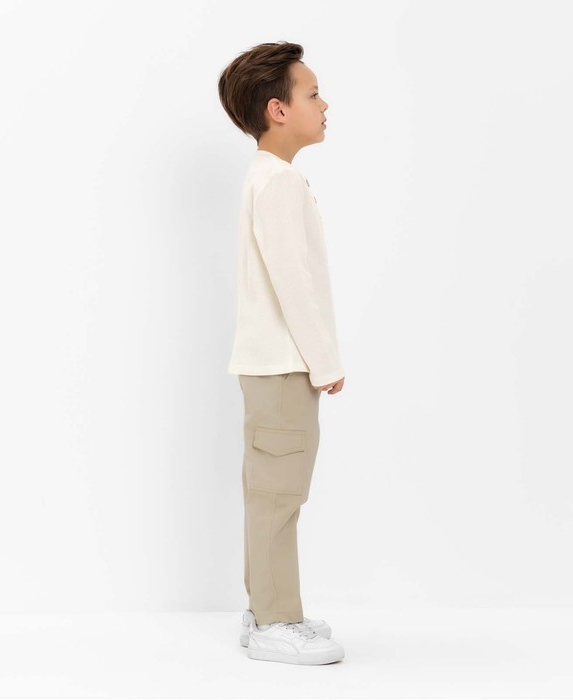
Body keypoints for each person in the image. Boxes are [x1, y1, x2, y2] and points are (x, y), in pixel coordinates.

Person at [218, 41, 346, 665]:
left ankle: (269, 612)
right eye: (313, 93)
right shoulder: (278, 182)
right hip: (282, 365)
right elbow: (293, 282)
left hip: (273, 366)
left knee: (273, 494)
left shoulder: (270, 177)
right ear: (278, 109)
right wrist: (326, 362)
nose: (325, 105)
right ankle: (274, 621)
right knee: (278, 497)